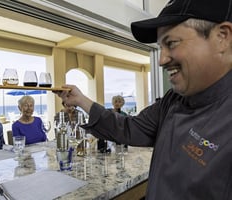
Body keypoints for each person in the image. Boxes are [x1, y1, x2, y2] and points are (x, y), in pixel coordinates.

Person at [55, 0, 232, 199]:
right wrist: (81, 100)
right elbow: (130, 128)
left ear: (222, 37)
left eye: (171, 43)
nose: (161, 60)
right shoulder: (172, 100)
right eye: (160, 47)